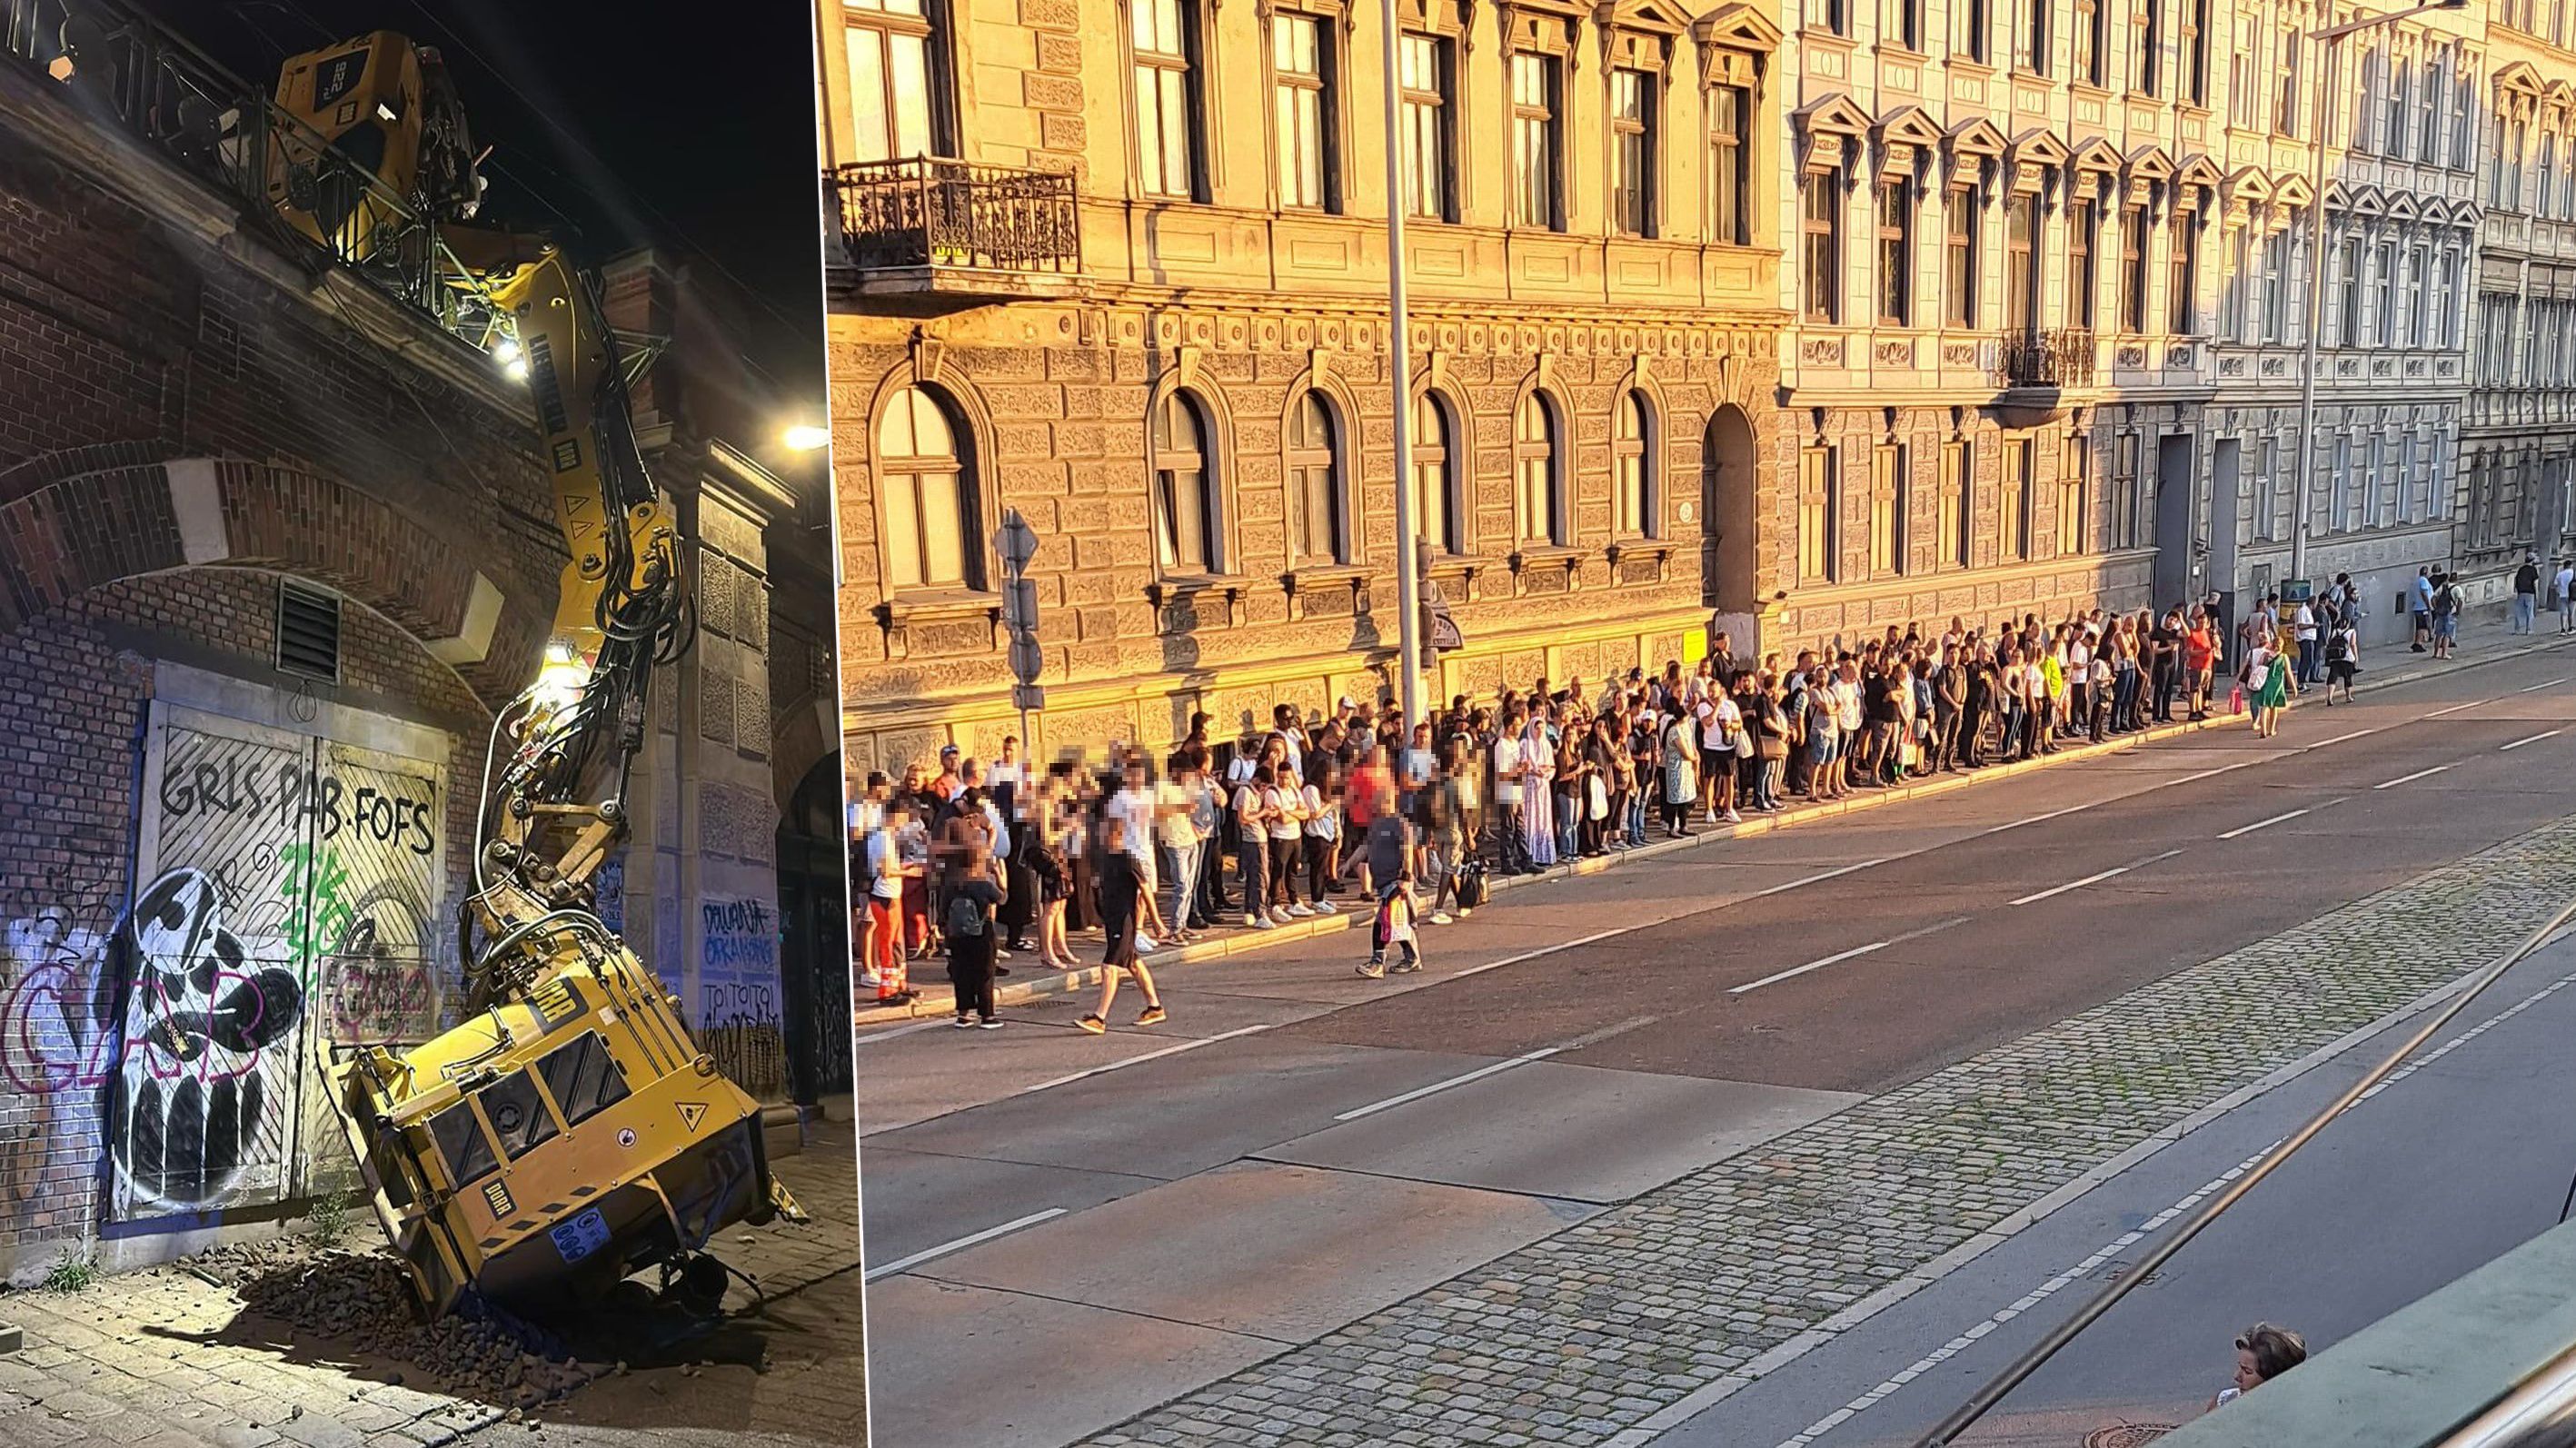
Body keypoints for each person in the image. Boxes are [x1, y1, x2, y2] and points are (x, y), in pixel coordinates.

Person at [1077, 812, 1166, 1034]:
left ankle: (1100, 1017)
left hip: (1125, 921)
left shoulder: (1128, 859)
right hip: (1112, 919)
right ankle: (1155, 1007)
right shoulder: (1105, 859)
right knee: (1133, 962)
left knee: (1110, 966)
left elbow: (1145, 890)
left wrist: (1155, 921)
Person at [1355, 808, 1421, 978]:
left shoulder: (1400, 824)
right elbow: (1366, 847)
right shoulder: (1376, 825)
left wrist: (1405, 877)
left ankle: (1377, 962)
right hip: (1383, 882)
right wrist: (1348, 864)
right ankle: (1412, 957)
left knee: (1384, 921)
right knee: (1397, 923)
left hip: (1395, 881)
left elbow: (1407, 850)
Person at [945, 844, 1005, 1028]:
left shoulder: (951, 884)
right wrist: (999, 877)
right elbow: (1002, 898)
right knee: (985, 973)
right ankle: (987, 1015)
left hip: (957, 933)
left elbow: (943, 908)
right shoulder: (983, 884)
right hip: (981, 931)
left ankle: (963, 1014)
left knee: (961, 972)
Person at [2209, 1324, 2307, 1411]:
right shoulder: (2223, 1403)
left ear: (2274, 1379)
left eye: (2247, 1371)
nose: (2236, 1376)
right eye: (2240, 1367)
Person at [2248, 640, 2289, 738]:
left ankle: (2263, 730)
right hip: (2276, 684)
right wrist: (2294, 688)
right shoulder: (2283, 657)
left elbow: (2258, 666)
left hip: (2265, 682)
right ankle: (2272, 729)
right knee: (2274, 707)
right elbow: (2288, 673)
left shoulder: (2265, 655)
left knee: (2264, 706)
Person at [2324, 611, 2360, 704]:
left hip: (2334, 658)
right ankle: (2348, 696)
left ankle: (2330, 697)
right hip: (2347, 658)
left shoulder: (2334, 631)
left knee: (2332, 677)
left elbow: (2328, 642)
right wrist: (2356, 657)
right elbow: (2353, 644)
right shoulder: (2351, 631)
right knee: (2348, 677)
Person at [2431, 570, 2461, 660]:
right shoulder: (2457, 588)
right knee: (2447, 634)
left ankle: (2436, 653)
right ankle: (2444, 654)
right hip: (2450, 613)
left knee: (2438, 634)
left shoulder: (2443, 587)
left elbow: (2433, 598)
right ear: (2456, 579)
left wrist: (2435, 608)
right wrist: (2458, 611)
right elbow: (2460, 600)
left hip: (2440, 612)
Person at [2514, 553, 2541, 634]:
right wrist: (2537, 594)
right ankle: (2529, 629)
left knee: (2518, 611)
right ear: (2532, 560)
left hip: (2521, 592)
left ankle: (2517, 629)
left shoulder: (2521, 569)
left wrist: (2516, 591)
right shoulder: (2533, 570)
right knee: (2529, 612)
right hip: (2530, 592)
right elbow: (2535, 583)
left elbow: (2516, 580)